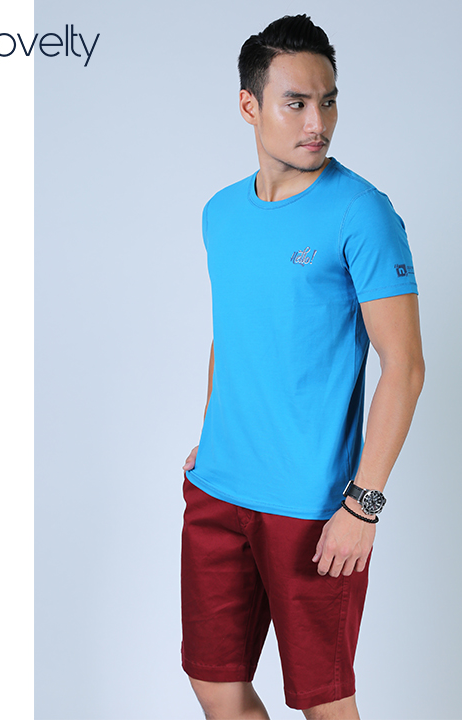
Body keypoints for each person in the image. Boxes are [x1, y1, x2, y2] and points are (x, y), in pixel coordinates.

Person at [181, 14, 425, 720]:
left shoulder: (361, 213)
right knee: (215, 687)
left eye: (328, 101)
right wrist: (212, 432)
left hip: (314, 507)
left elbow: (405, 366)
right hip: (219, 488)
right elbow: (231, 334)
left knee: (325, 706)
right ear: (249, 105)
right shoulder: (220, 213)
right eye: (296, 103)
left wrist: (363, 504)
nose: (318, 122)